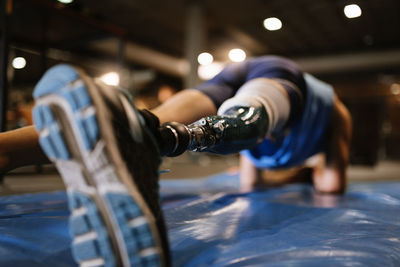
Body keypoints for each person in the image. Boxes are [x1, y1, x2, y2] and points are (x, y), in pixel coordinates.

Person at [0, 56, 351, 266]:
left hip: (235, 76)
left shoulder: (271, 150)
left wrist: (285, 173)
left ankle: (6, 151)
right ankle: (158, 142)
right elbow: (332, 184)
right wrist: (304, 174)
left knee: (150, 120)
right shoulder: (338, 115)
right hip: (279, 76)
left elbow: (250, 183)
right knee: (249, 120)